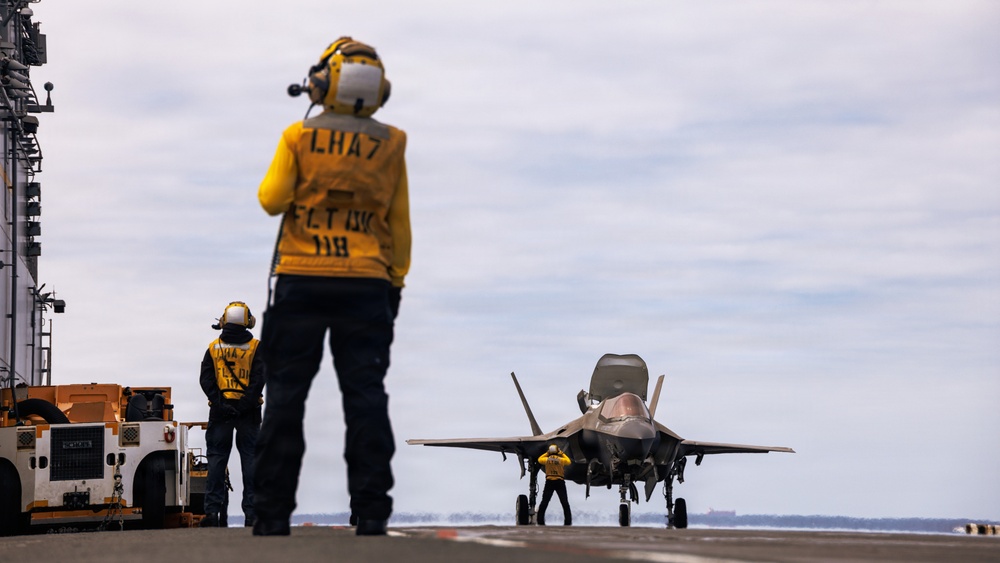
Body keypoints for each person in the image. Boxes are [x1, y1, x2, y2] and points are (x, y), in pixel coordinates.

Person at [252, 36, 410, 537]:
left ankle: (272, 513)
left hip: (300, 280)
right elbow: (399, 223)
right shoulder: (392, 143)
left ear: (325, 83)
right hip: (367, 285)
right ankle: (372, 512)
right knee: (365, 397)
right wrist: (395, 283)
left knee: (284, 399)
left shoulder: (298, 137)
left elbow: (271, 201)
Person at [199, 301, 266, 527]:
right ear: (247, 321)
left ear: (224, 321)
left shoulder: (213, 347)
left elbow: (206, 380)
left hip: (220, 413)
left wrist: (222, 405)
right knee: (251, 461)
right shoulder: (257, 347)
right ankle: (252, 515)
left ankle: (211, 514)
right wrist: (244, 405)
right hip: (249, 413)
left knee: (217, 461)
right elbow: (258, 380)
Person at [537, 444, 572, 526]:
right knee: (565, 503)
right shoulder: (561, 460)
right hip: (560, 482)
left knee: (544, 502)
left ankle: (540, 521)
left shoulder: (547, 459)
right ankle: (568, 522)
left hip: (549, 482)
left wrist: (547, 453)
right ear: (557, 451)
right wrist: (562, 453)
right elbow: (569, 461)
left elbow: (539, 459)